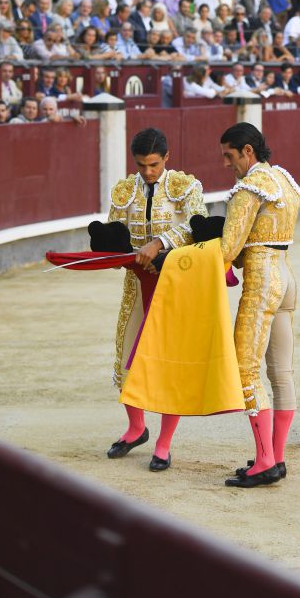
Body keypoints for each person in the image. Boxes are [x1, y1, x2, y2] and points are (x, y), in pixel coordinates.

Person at [106, 127, 208, 471]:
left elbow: (199, 226)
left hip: (173, 284)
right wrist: (113, 248)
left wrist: (159, 243)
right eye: (141, 165)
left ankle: (164, 444)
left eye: (153, 164)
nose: (147, 171)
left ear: (167, 157)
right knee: (127, 357)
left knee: (168, 362)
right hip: (136, 284)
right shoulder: (124, 190)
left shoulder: (185, 187)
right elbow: (115, 228)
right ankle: (137, 428)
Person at [219, 123, 300, 488]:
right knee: (281, 373)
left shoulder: (249, 188)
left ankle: (265, 462)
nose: (227, 164)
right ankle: (277, 457)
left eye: (229, 156)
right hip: (286, 276)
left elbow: (228, 249)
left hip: (261, 281)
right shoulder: (283, 179)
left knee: (246, 371)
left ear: (247, 151)